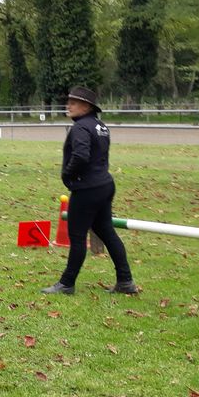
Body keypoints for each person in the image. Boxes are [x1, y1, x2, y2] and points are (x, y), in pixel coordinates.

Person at [42, 86, 136, 295]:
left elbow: (81, 155)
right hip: (105, 185)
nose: (68, 106)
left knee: (76, 237)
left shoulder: (80, 128)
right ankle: (126, 280)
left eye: (73, 103)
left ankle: (66, 283)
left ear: (86, 107)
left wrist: (67, 175)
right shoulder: (100, 126)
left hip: (87, 189)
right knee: (107, 232)